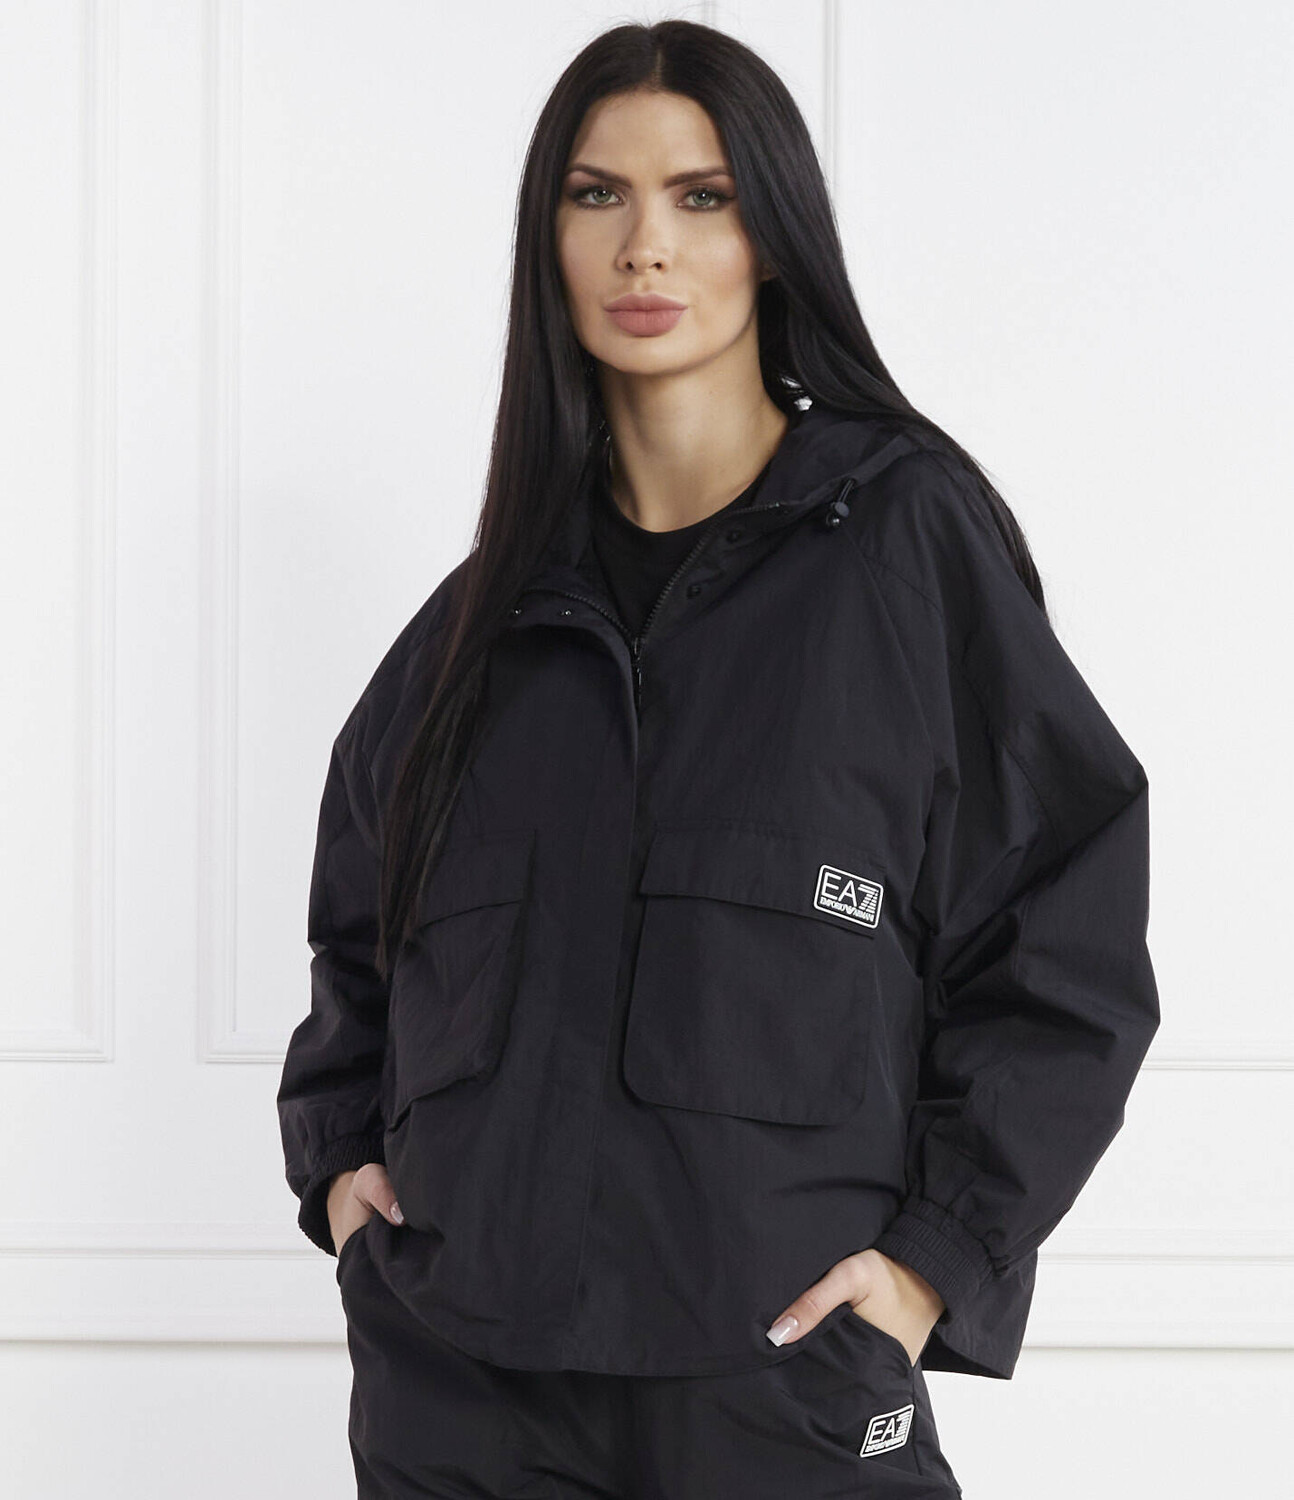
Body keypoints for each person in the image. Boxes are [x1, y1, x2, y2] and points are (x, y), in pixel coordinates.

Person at [276, 19, 1160, 1499]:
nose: (645, 245)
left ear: (773, 237)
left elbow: (1062, 933)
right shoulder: (479, 623)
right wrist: (342, 1180)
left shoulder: (903, 543)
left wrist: (934, 1261)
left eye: (702, 196)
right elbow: (361, 942)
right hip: (462, 1400)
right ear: (547, 239)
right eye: (596, 194)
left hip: (781, 1387)